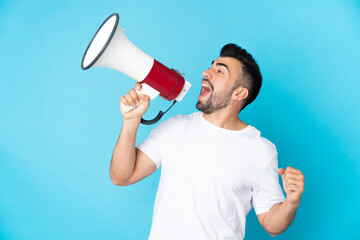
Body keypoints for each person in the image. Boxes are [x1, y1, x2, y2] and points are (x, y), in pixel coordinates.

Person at [110, 43, 305, 240]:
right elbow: (122, 177)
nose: (205, 72)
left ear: (239, 93)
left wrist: (291, 202)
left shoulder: (261, 150)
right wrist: (130, 121)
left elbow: (272, 225)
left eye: (219, 71)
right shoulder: (175, 128)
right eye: (210, 66)